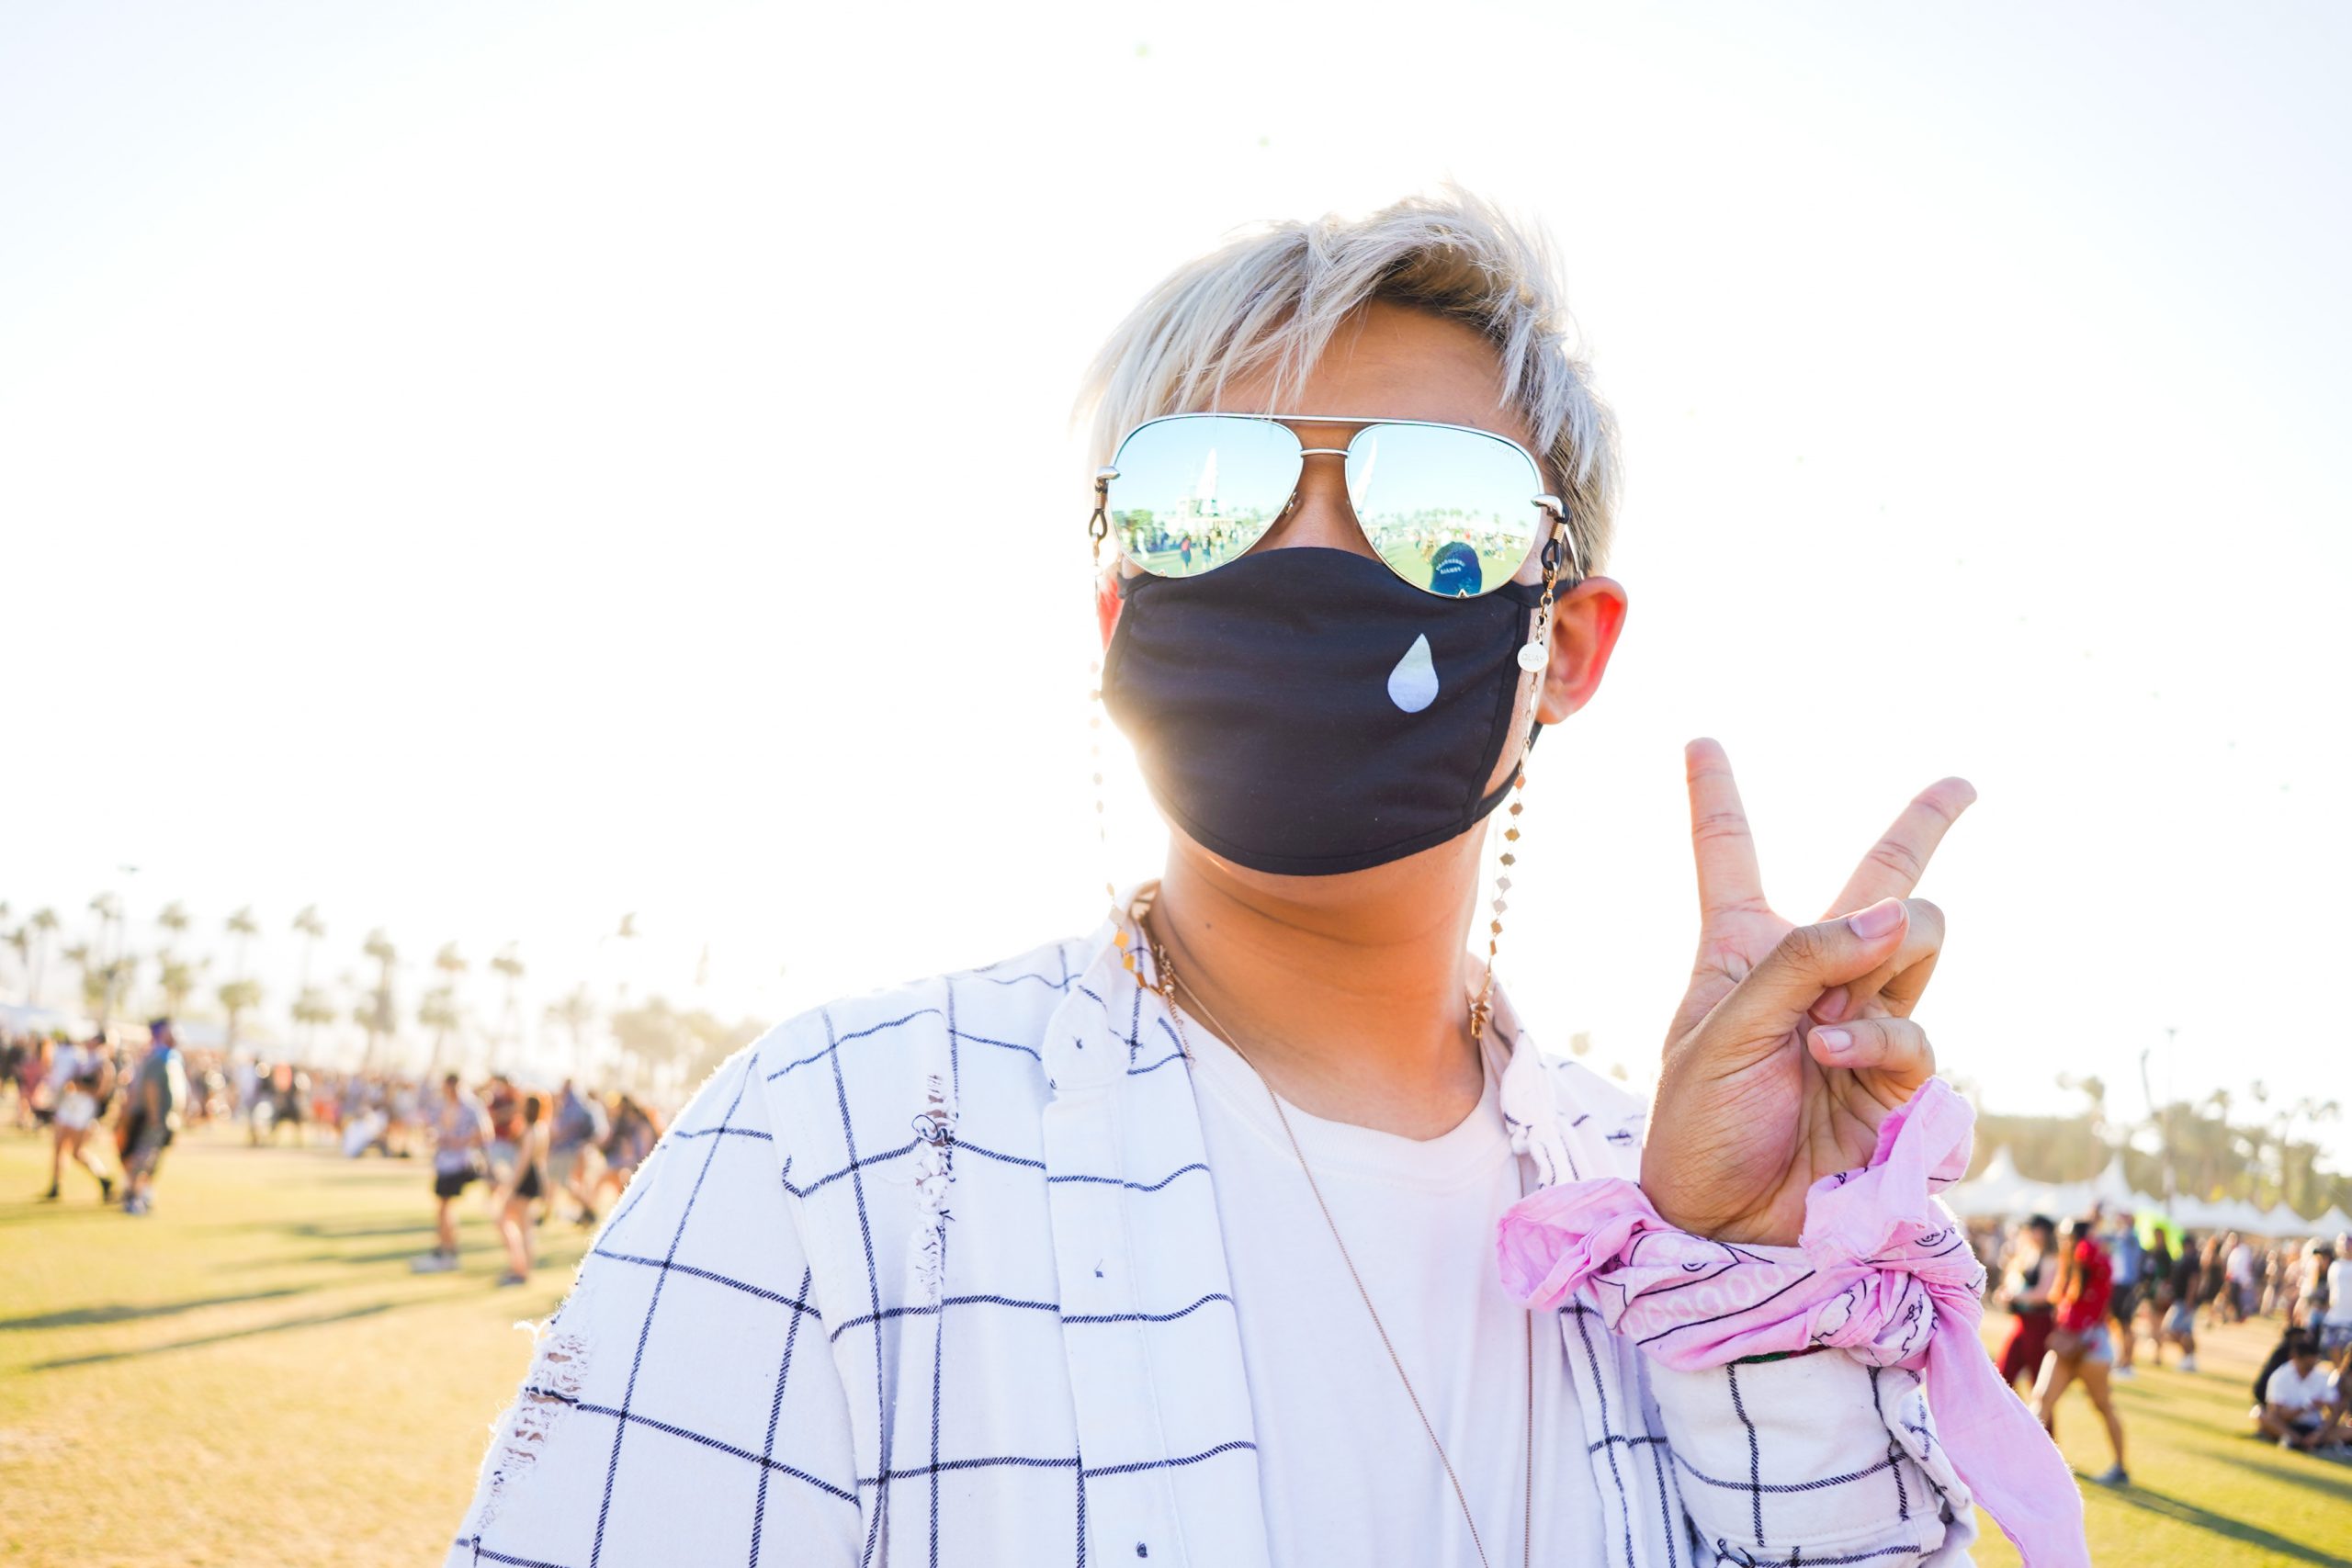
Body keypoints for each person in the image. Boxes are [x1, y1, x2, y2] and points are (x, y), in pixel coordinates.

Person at [447, 189, 1999, 1566]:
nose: (1308, 551)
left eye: (1438, 512)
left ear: (1568, 642)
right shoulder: (839, 1145)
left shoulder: (1655, 1198)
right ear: (1118, 602)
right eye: (1206, 495)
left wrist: (1749, 1279)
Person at [2034, 1216, 2129, 1485]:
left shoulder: (2090, 1254)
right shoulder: (2073, 1262)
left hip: (2092, 1344)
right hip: (2068, 1340)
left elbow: (2090, 1255)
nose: (2063, 1241)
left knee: (2103, 1405)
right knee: (2042, 1399)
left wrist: (2087, 1233)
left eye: (2067, 1236)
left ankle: (2120, 1467)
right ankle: (2030, 1464)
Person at [412, 1072, 489, 1274]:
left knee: (445, 1207)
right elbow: (433, 1127)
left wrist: (460, 1142)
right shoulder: (442, 1105)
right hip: (444, 1161)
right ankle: (444, 1248)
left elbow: (484, 1133)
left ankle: (448, 1252)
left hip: (459, 1162)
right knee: (442, 1208)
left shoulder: (471, 1106)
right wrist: (434, 1136)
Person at [117, 1019, 187, 1215]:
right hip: (153, 1119)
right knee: (143, 1159)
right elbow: (151, 1088)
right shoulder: (158, 1058)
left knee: (151, 1159)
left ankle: (141, 1194)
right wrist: (155, 1117)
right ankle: (133, 1197)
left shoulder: (169, 1057)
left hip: (164, 1119)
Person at [39, 1032, 114, 1202]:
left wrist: (80, 1087)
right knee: (58, 1145)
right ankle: (55, 1185)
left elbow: (100, 1093)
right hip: (69, 1105)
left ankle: (103, 1179)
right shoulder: (81, 1059)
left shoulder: (103, 1065)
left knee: (76, 1152)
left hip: (84, 1111)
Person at [1996, 1214, 2059, 1393]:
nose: (2029, 1233)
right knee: (2003, 1374)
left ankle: (2035, 1412)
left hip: (2040, 1324)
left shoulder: (2051, 1258)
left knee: (2038, 1382)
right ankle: (2016, 1410)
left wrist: (2015, 1297)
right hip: (2022, 1322)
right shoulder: (2028, 1255)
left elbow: (2044, 1294)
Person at [493, 1093, 550, 1288]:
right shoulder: (542, 1129)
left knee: (508, 1221)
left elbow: (524, 1161)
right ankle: (522, 1268)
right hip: (532, 1178)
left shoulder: (530, 1131)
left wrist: (511, 1186)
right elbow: (541, 1161)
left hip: (525, 1180)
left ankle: (520, 1269)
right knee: (523, 1225)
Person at [2257, 1328, 2345, 1451]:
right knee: (2259, 1414)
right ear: (2295, 1358)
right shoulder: (2281, 1376)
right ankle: (2293, 1438)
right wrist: (2305, 1407)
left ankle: (2309, 1441)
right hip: (2287, 1424)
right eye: (2306, 1365)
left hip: (2314, 1426)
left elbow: (2335, 1411)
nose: (2310, 1369)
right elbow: (2274, 1413)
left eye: (2313, 1364)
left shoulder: (2321, 1376)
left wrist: (2319, 1434)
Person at [545, 1077, 606, 1226]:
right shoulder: (585, 1106)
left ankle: (589, 1210)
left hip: (567, 1151)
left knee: (567, 1183)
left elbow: (561, 1131)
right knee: (559, 1182)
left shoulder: (573, 1107)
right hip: (573, 1150)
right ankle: (548, 1213)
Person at [2105, 1209, 2143, 1376]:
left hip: (2127, 1286)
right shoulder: (2118, 1236)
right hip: (2116, 1285)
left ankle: (2128, 1362)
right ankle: (2121, 1359)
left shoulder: (2131, 1237)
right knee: (2117, 1325)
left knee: (2126, 1325)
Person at [2159, 1229, 2202, 1371]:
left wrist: (2190, 1300)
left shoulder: (2192, 1260)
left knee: (2173, 1329)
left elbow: (2194, 1281)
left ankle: (2189, 1357)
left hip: (2184, 1301)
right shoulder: (2183, 1258)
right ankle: (2189, 1358)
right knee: (2184, 1331)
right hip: (2179, 1299)